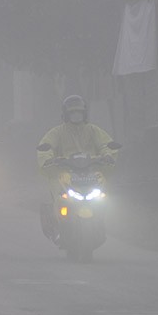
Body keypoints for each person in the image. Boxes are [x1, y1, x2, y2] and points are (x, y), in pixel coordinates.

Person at [36, 95, 118, 243]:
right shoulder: (57, 132)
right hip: (64, 172)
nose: (76, 116)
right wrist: (48, 158)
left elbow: (106, 144)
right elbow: (46, 146)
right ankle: (57, 223)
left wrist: (107, 155)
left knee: (103, 196)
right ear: (65, 114)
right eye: (72, 113)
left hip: (91, 171)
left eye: (79, 112)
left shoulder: (93, 130)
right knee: (59, 195)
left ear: (84, 114)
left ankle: (100, 220)